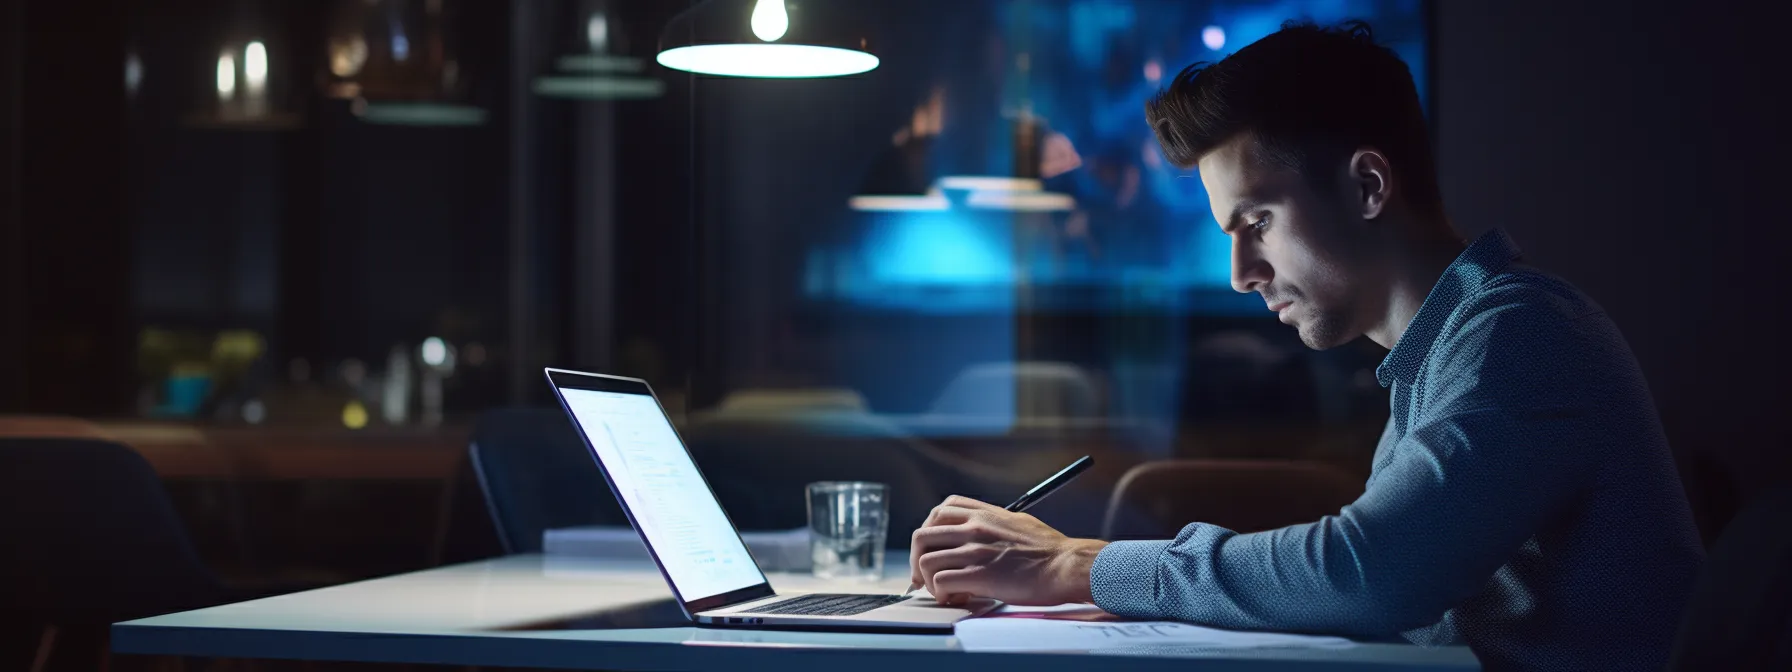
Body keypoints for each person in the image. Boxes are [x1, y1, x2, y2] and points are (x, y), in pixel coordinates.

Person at [907, 20, 1703, 671]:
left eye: (1256, 223)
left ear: (1366, 186)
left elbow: (1374, 572)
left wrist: (1073, 564)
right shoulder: (1445, 352)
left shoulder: (1520, 334)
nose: (1240, 274)